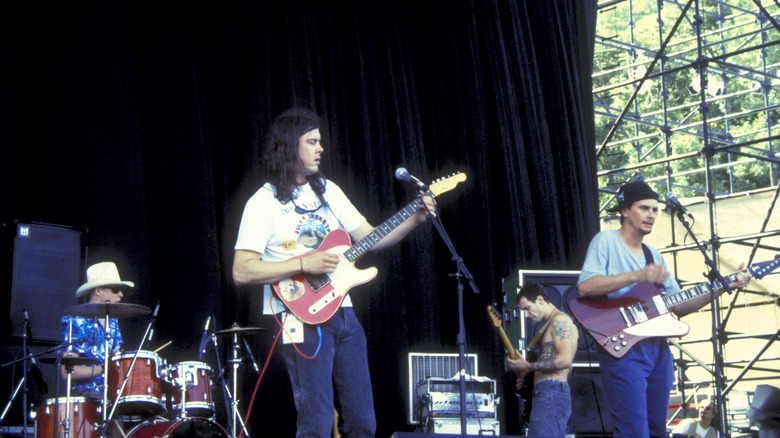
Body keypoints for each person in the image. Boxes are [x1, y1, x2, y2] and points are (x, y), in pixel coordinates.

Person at [232, 107, 435, 438]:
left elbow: (371, 237)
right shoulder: (263, 202)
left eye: (320, 142)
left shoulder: (327, 189)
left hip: (344, 315)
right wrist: (303, 264)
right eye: (311, 141)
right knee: (317, 423)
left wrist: (414, 217)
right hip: (302, 317)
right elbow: (242, 271)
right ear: (288, 146)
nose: (320, 149)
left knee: (363, 423)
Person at [576, 180, 751, 438]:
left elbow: (677, 304)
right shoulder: (605, 241)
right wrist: (638, 275)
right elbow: (586, 287)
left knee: (657, 429)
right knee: (633, 430)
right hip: (625, 345)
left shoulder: (653, 254)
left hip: (658, 348)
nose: (652, 215)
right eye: (644, 208)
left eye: (656, 210)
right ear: (625, 211)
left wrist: (724, 285)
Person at [506, 283, 577, 438]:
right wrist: (528, 380)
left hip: (550, 392)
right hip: (546, 392)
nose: (525, 315)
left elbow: (565, 360)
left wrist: (528, 366)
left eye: (527, 308)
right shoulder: (548, 325)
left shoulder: (560, 321)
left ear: (540, 299)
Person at [60, 261, 133, 399]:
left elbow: (117, 359)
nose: (121, 295)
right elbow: (66, 372)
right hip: (85, 394)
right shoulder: (76, 320)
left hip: (111, 391)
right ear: (98, 290)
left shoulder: (113, 320)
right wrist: (105, 370)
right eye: (116, 289)